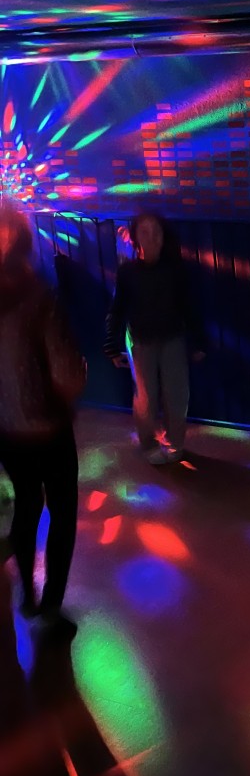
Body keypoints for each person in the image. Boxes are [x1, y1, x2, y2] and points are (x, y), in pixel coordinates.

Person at [0, 204, 86, 635]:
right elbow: (67, 373)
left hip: (7, 431)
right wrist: (77, 380)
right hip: (48, 428)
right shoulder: (38, 296)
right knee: (62, 512)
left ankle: (27, 596)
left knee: (27, 504)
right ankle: (50, 606)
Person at [104, 212, 205, 464]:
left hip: (172, 337)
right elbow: (117, 309)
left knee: (177, 395)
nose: (152, 237)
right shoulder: (128, 272)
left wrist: (199, 340)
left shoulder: (175, 269)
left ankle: (174, 444)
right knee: (145, 399)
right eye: (145, 232)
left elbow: (189, 306)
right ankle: (148, 444)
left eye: (156, 231)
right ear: (135, 237)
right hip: (141, 340)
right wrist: (111, 344)